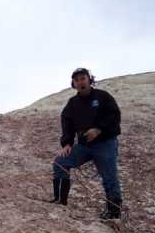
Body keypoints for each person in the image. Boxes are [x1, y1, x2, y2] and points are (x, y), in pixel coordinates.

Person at [51, 68, 123, 219]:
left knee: (109, 178)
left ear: (89, 80)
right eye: (77, 80)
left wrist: (99, 129)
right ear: (74, 84)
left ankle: (114, 214)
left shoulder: (102, 97)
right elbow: (67, 122)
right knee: (60, 162)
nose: (80, 82)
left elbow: (115, 116)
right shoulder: (72, 103)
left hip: (105, 143)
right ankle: (60, 201)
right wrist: (67, 143)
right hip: (85, 146)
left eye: (83, 78)